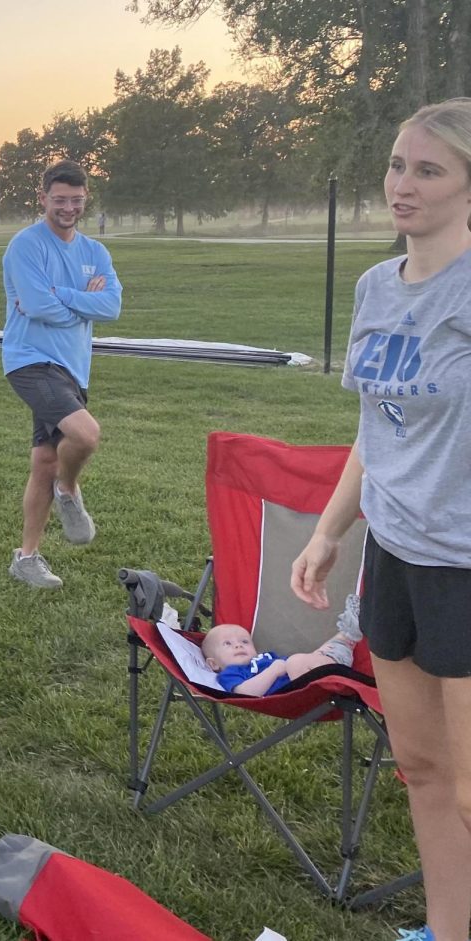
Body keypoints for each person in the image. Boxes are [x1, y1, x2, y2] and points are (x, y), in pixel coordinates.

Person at [290, 98, 471, 941]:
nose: (403, 184)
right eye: (398, 164)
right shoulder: (372, 287)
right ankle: (446, 929)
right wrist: (331, 531)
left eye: (428, 169)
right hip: (392, 555)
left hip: (464, 565)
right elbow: (375, 427)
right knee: (425, 769)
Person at [1, 159, 122, 589]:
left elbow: (111, 306)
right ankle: (69, 491)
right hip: (29, 360)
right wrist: (77, 305)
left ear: (84, 198)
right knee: (86, 434)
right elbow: (36, 306)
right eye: (59, 200)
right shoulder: (26, 246)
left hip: (73, 366)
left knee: (45, 460)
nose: (67, 208)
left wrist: (62, 296)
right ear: (43, 199)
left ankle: (26, 559)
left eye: (75, 200)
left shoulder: (95, 252)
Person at [200, 595, 361, 696]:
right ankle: (346, 638)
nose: (238, 646)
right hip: (301, 691)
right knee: (295, 662)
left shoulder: (266, 657)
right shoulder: (231, 673)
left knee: (306, 659)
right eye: (228, 644)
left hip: (310, 673)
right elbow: (246, 693)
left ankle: (346, 637)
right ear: (213, 663)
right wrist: (273, 670)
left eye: (244, 641)